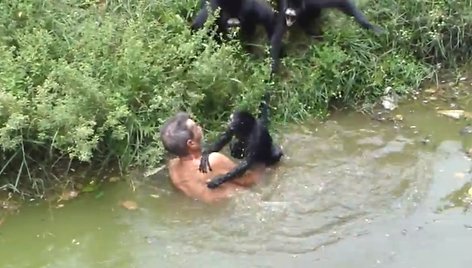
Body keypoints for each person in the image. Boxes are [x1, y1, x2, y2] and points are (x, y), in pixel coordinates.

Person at [159, 112, 263, 203]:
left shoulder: (173, 167)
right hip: (242, 203)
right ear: (191, 143)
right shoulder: (213, 161)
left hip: (210, 206)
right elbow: (250, 180)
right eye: (196, 127)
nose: (199, 127)